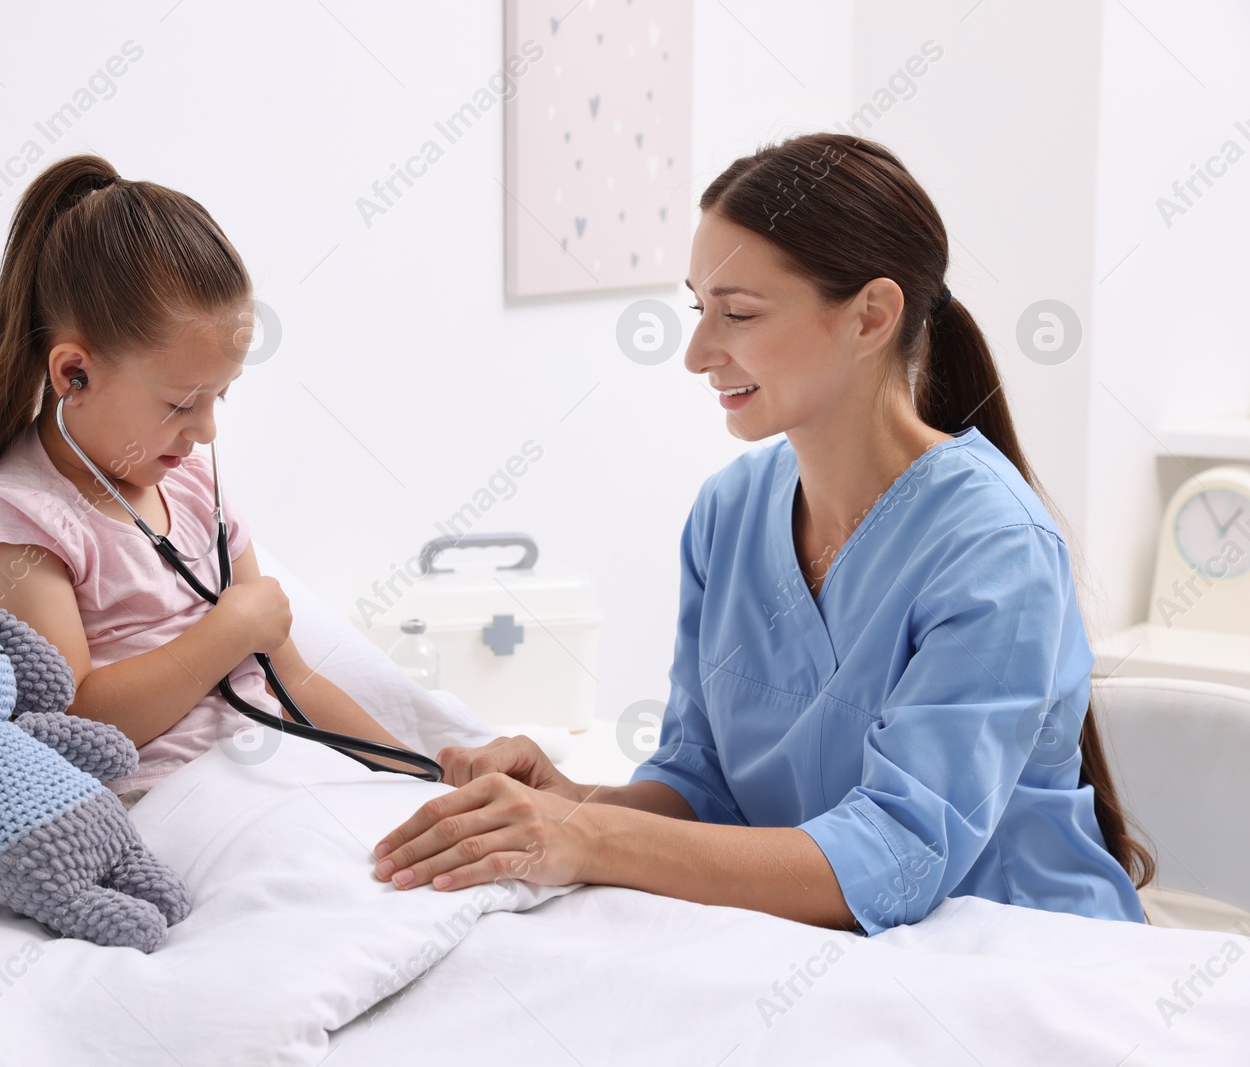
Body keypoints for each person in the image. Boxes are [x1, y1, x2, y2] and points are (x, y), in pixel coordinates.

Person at [369, 133, 1155, 935]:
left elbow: (897, 857)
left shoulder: (994, 548)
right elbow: (702, 789)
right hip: (826, 957)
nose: (698, 353)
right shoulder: (731, 512)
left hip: (1025, 956)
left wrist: (591, 836)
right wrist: (567, 799)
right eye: (697, 309)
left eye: (738, 313)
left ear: (871, 317)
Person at [0, 154, 421, 810]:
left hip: (287, 775)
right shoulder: (21, 519)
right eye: (180, 404)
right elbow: (72, 721)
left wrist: (422, 780)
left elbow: (293, 679)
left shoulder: (192, 489)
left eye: (221, 396)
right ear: (73, 373)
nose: (207, 431)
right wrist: (226, 631)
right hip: (182, 810)